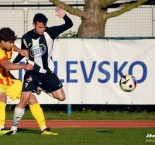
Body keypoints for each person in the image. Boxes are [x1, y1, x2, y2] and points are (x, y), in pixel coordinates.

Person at [10, 6, 73, 135]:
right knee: (24, 99)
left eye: (43, 27)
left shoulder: (50, 32)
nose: (42, 29)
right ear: (34, 24)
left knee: (61, 97)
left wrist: (64, 16)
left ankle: (41, 88)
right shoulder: (26, 37)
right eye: (39, 27)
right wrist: (13, 63)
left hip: (48, 73)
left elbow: (69, 24)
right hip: (32, 72)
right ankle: (13, 129)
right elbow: (23, 52)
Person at [0, 27, 34, 135]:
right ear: (2, 42)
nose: (12, 44)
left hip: (8, 78)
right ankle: (0, 128)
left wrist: (20, 50)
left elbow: (12, 47)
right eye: (10, 42)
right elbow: (6, 65)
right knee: (2, 97)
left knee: (30, 96)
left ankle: (44, 129)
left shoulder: (8, 45)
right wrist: (24, 66)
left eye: (12, 41)